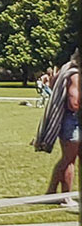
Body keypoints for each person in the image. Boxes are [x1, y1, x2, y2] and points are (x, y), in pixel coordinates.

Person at [35, 49, 80, 204]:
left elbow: (54, 85)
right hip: (73, 121)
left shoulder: (65, 69)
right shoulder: (75, 75)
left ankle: (51, 192)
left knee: (67, 159)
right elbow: (74, 103)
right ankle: (65, 197)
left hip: (67, 120)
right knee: (69, 160)